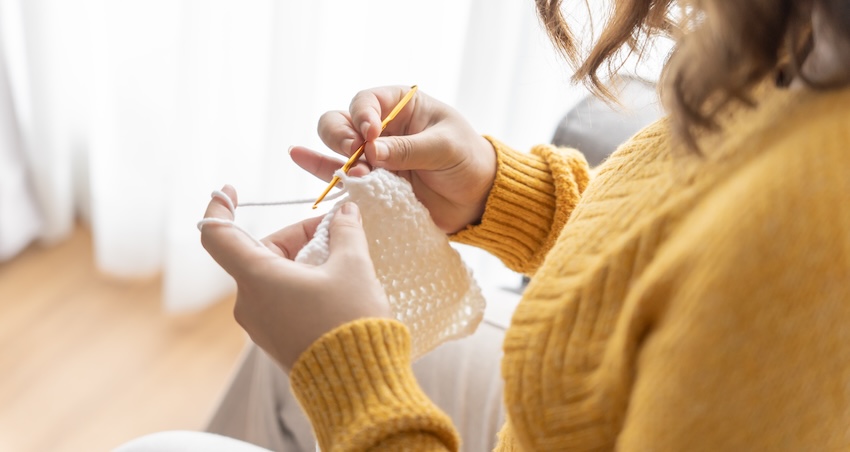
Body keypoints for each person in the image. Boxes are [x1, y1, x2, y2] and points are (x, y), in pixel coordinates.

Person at [195, 0, 850, 450]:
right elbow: (681, 255)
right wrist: (494, 192)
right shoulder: (805, 43)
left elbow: (742, 272)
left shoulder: (814, 239)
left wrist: (351, 376)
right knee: (280, 361)